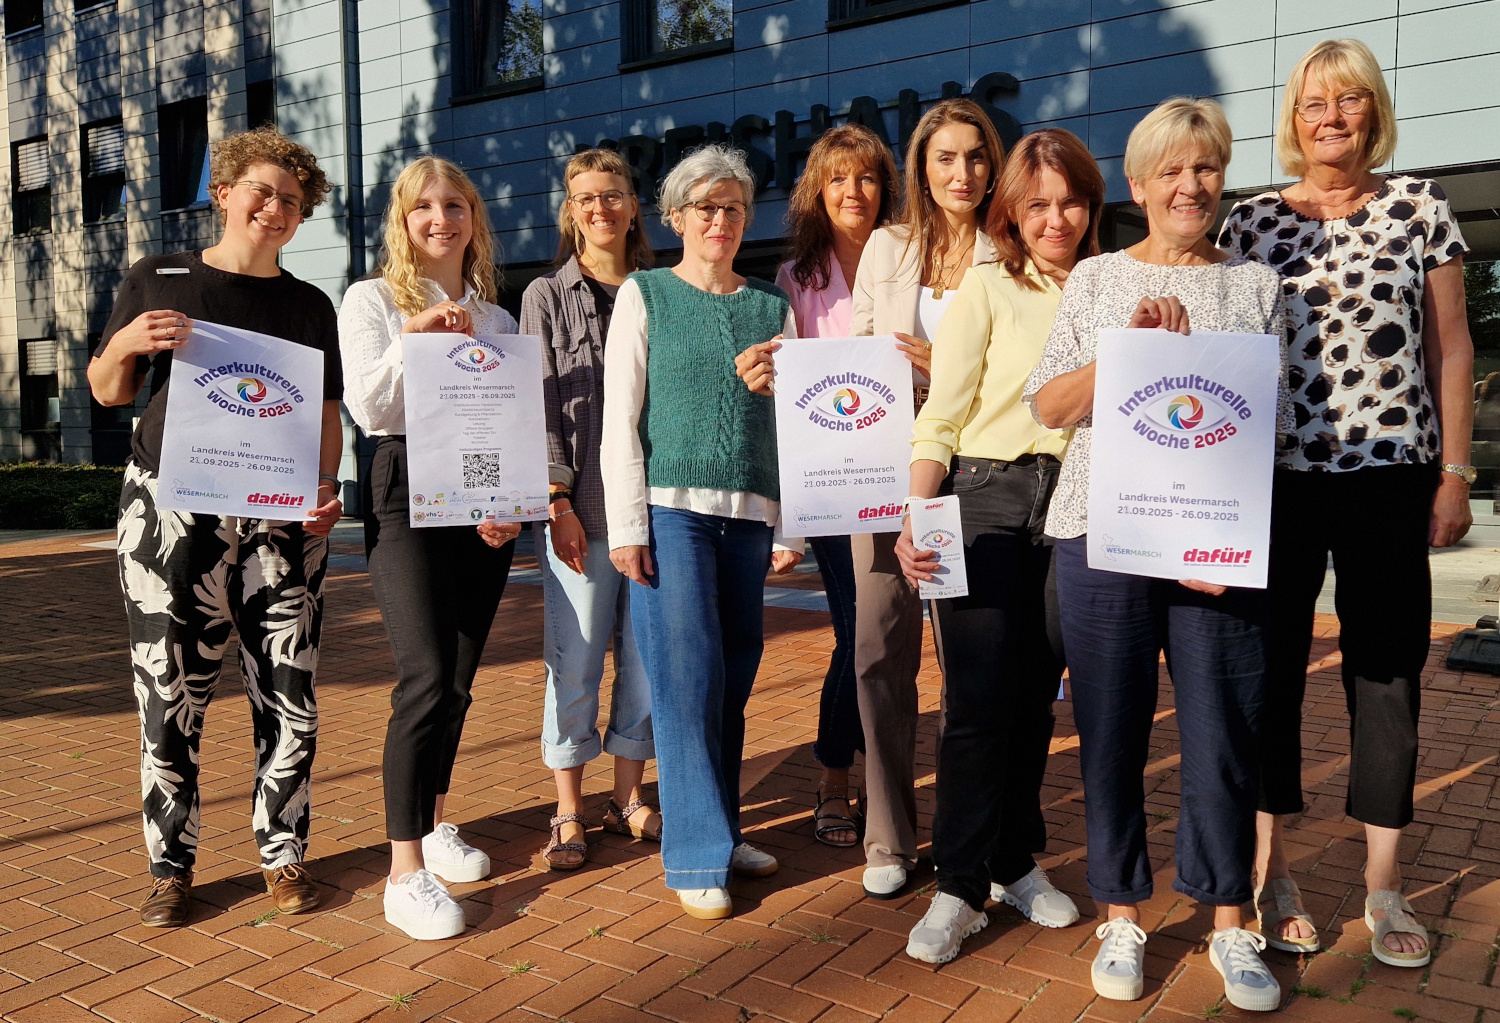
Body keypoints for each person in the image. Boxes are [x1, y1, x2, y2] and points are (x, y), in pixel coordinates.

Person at [1025, 98, 1292, 1011]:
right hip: (1104, 533)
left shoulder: (1256, 285)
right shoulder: (1096, 276)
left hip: (1212, 543)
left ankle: (1228, 921)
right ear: (1137, 185)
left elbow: (1268, 423)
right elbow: (1050, 407)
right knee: (1112, 732)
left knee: (1222, 729)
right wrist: (1125, 353)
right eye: (1170, 171)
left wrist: (1227, 529)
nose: (1190, 185)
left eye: (1206, 168)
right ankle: (1123, 913)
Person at [1217, 38, 1475, 968]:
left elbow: (1450, 346)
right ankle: (1271, 871)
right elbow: (1218, 350)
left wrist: (1454, 473)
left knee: (1386, 672)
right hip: (1273, 482)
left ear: (1375, 112)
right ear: (1292, 118)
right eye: (1315, 103)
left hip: (1389, 478)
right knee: (1268, 673)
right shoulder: (1247, 224)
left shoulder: (1420, 208)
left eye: (1351, 101)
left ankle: (1382, 884)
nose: (1333, 117)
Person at [88, 126, 343, 928]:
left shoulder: (308, 305)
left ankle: (284, 853)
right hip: (170, 507)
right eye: (262, 191)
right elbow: (106, 389)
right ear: (225, 192)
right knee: (169, 691)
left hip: (279, 514)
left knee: (289, 686)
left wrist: (325, 483)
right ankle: (170, 867)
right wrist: (128, 340)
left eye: (292, 202)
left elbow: (327, 412)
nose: (275, 208)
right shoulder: (159, 276)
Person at [892, 129, 1101, 963]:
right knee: (976, 704)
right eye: (1038, 203)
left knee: (1032, 701)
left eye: (1070, 200)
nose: (1055, 218)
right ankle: (956, 882)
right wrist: (915, 512)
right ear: (1012, 209)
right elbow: (941, 415)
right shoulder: (985, 287)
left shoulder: (1107, 286)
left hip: (1078, 505)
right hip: (983, 496)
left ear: (1091, 203)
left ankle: (1014, 860)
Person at [602, 144, 802, 922]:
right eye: (705, 207)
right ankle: (693, 855)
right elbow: (621, 419)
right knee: (686, 681)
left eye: (734, 208)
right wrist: (627, 524)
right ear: (676, 216)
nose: (720, 220)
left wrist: (792, 524)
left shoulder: (771, 305)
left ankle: (719, 830)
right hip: (671, 510)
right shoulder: (645, 293)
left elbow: (795, 425)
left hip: (749, 516)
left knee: (735, 676)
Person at [340, 156, 524, 940]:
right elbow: (368, 404)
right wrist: (412, 336)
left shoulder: (500, 320)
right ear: (403, 220)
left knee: (456, 678)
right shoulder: (372, 299)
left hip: (476, 493)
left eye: (455, 205)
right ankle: (403, 870)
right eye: (424, 207)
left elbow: (510, 423)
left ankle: (438, 822)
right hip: (401, 481)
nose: (441, 218)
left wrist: (510, 502)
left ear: (474, 219)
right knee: (421, 676)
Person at [849, 98, 1004, 901]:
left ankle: (968, 835)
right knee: (879, 648)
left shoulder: (1007, 248)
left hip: (972, 472)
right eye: (946, 157)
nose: (963, 173)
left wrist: (941, 360)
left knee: (968, 660)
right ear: (922, 165)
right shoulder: (887, 247)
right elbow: (855, 358)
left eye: (976, 157)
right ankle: (888, 833)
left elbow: (1015, 364)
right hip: (883, 469)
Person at [521, 148, 660, 871]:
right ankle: (568, 809)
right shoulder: (545, 295)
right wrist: (555, 497)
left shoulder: (663, 289)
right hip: (582, 512)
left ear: (633, 205)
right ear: (569, 210)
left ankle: (627, 797)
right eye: (584, 198)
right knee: (573, 662)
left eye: (612, 195)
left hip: (649, 507)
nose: (599, 208)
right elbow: (541, 401)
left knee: (642, 661)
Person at [772, 124, 900, 848]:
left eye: (867, 178)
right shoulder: (798, 280)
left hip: (911, 472)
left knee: (906, 638)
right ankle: (835, 778)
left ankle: (891, 782)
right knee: (858, 632)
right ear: (817, 193)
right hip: (833, 484)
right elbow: (792, 406)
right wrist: (790, 521)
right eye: (838, 180)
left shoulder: (914, 258)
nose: (854, 192)